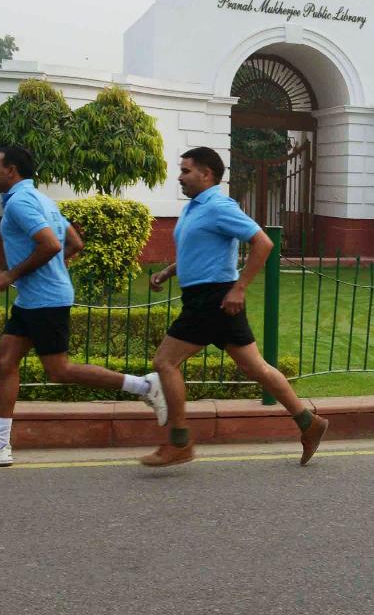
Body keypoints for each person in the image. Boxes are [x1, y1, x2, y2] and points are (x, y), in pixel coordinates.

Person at [0, 147, 167, 467]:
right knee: (5, 361)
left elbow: (51, 244)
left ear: (11, 170)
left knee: (60, 370)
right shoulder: (41, 199)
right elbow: (74, 243)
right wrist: (49, 269)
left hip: (45, 300)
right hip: (33, 299)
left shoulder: (21, 203)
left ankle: (144, 385)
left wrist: (12, 274)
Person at [139, 147, 328, 468]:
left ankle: (179, 442)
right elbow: (198, 252)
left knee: (165, 362)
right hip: (212, 300)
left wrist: (240, 288)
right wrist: (168, 272)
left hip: (212, 300)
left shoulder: (218, 206)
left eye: (185, 171)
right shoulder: (194, 208)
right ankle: (309, 422)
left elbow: (263, 243)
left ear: (206, 174)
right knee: (256, 368)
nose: (180, 177)